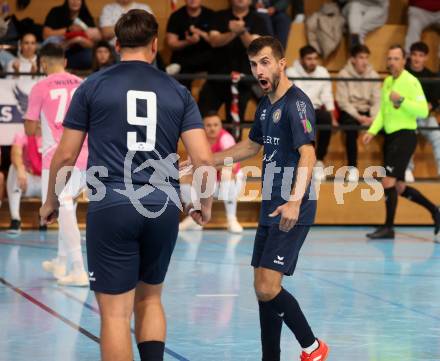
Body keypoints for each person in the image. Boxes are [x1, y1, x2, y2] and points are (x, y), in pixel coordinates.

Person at [40, 10, 214, 361]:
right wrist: (203, 204)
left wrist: (51, 200)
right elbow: (204, 161)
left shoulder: (93, 86)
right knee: (150, 300)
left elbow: (65, 156)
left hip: (112, 204)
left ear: (116, 44)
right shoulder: (177, 91)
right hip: (162, 205)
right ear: (154, 45)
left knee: (116, 314)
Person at [183, 35, 329, 361]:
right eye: (253, 64)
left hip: (293, 204)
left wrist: (294, 200)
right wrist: (203, 158)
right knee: (262, 290)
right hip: (270, 203)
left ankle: (313, 347)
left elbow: (308, 154)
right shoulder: (265, 105)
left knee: (267, 287)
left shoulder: (297, 104)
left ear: (281, 63)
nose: (258, 70)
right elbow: (250, 147)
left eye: (264, 62)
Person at [24, 43, 89, 286]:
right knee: (65, 206)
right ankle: (62, 261)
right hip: (85, 152)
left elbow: (30, 129)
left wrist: (44, 125)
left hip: (57, 156)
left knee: (63, 206)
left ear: (42, 63)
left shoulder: (39, 86)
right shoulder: (82, 83)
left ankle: (78, 269)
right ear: (64, 61)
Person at [363, 45, 440, 239]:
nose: (392, 62)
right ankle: (435, 210)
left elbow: (423, 111)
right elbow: (383, 112)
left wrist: (402, 100)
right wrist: (372, 131)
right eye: (389, 58)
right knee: (398, 187)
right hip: (391, 138)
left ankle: (389, 228)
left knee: (387, 181)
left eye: (396, 58)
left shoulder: (411, 81)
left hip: (405, 136)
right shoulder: (388, 81)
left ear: (404, 60)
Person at [198, 0, 268, 124]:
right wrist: (233, 32)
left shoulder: (258, 19)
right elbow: (214, 41)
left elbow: (255, 47)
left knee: (235, 125)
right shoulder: (219, 16)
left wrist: (241, 32)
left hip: (243, 81)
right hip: (216, 78)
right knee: (201, 119)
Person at [180, 112, 244, 233]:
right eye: (208, 125)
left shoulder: (226, 138)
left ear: (221, 126)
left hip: (229, 182)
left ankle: (232, 219)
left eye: (215, 125)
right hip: (209, 181)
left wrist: (207, 165)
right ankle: (195, 216)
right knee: (183, 179)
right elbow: (193, 166)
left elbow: (232, 165)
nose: (212, 128)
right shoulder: (197, 141)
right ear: (203, 127)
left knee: (226, 174)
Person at [286, 45, 337, 181]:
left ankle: (319, 160)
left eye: (315, 58)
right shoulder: (291, 72)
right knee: (305, 120)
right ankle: (308, 161)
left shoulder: (323, 72)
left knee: (326, 119)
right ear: (302, 60)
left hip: (316, 108)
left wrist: (333, 117)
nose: (313, 62)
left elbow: (327, 96)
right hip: (297, 109)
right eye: (309, 59)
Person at [336, 44, 380, 181]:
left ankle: (390, 170)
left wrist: (372, 117)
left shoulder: (373, 75)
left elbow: (377, 100)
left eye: (366, 57)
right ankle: (352, 168)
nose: (364, 61)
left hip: (368, 111)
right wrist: (358, 116)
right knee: (350, 128)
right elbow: (343, 102)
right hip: (351, 111)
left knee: (388, 126)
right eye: (361, 57)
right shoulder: (343, 74)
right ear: (353, 59)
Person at [405, 41, 440, 180]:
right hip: (407, 116)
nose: (417, 58)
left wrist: (428, 107)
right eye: (414, 55)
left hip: (425, 116)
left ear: (425, 58)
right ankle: (407, 169)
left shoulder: (431, 76)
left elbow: (435, 102)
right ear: (410, 56)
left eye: (421, 55)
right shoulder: (404, 75)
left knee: (438, 135)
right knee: (407, 135)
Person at [165, 0, 214, 87]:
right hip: (183, 60)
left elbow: (216, 42)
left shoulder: (211, 15)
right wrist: (187, 42)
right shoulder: (176, 16)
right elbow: (171, 44)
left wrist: (200, 33)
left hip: (207, 60)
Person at [43, 0, 101, 70]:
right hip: (58, 51)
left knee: (91, 56)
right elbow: (46, 35)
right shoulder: (56, 12)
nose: (75, 2)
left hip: (77, 55)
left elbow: (92, 44)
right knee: (50, 43)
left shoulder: (86, 16)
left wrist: (77, 39)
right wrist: (68, 29)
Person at [6, 131, 42, 234]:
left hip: (46, 181)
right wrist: (20, 168)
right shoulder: (21, 135)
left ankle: (45, 217)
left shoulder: (53, 135)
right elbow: (15, 153)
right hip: (27, 181)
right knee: (13, 168)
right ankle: (15, 220)